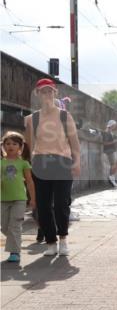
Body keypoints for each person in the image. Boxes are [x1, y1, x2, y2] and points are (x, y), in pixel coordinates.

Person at [24, 78, 81, 257]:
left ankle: (63, 238)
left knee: (61, 203)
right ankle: (50, 242)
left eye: (50, 91)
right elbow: (30, 146)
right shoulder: (32, 119)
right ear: (38, 94)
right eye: (43, 91)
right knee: (43, 205)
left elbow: (75, 143)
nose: (47, 94)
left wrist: (77, 161)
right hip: (41, 162)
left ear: (55, 93)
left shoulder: (65, 116)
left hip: (62, 162)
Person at [2, 132, 35, 264]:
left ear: (20, 147)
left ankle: (14, 252)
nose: (11, 146)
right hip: (2, 199)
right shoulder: (0, 163)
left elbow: (30, 181)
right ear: (3, 146)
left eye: (14, 144)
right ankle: (16, 241)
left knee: (15, 225)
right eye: (8, 143)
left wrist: (33, 198)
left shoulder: (24, 163)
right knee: (4, 226)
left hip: (19, 199)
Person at [102, 120, 117, 187]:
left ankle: (112, 178)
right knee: (113, 164)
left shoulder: (110, 132)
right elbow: (105, 143)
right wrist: (115, 141)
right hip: (109, 151)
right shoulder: (106, 132)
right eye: (114, 125)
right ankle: (111, 179)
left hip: (113, 150)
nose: (115, 126)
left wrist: (116, 142)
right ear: (111, 125)